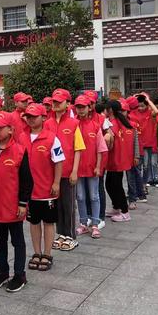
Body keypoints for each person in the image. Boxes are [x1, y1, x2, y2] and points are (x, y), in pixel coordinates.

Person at [0, 111, 33, 293]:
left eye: (0, 128)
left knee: (17, 241)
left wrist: (22, 203)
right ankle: (3, 272)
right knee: (0, 241)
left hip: (13, 207)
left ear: (10, 129)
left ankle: (19, 274)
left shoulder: (19, 151)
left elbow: (27, 181)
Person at [24, 103, 65, 272]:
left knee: (48, 223)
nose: (31, 119)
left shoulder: (52, 138)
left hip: (47, 191)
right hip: (30, 192)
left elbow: (59, 161)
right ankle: (37, 252)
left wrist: (56, 182)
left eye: (34, 116)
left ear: (43, 117)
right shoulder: (21, 137)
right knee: (33, 223)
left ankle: (47, 254)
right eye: (28, 116)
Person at [44, 88, 85, 251]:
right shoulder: (47, 123)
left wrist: (75, 171)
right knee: (57, 204)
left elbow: (78, 148)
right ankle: (61, 234)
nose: (55, 104)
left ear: (68, 104)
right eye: (53, 101)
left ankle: (70, 235)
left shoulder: (74, 124)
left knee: (68, 204)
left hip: (68, 171)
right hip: (52, 173)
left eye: (59, 102)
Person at [73, 95, 108, 239]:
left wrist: (98, 166)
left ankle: (95, 224)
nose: (81, 110)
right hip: (77, 168)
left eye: (83, 107)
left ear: (89, 108)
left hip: (92, 167)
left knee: (94, 196)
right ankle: (83, 223)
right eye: (78, 107)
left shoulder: (95, 126)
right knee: (80, 197)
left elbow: (100, 148)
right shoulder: (73, 124)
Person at [105, 100, 139, 222]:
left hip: (116, 159)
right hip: (119, 159)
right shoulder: (123, 123)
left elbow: (109, 142)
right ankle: (117, 207)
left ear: (110, 110)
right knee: (110, 184)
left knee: (116, 186)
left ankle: (125, 212)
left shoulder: (111, 124)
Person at [130, 93, 158, 189]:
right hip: (137, 145)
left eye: (143, 106)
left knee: (146, 167)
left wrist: (148, 99)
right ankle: (139, 187)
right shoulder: (133, 112)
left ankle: (144, 185)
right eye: (139, 106)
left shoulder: (149, 113)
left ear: (147, 105)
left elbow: (156, 111)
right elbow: (127, 108)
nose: (140, 108)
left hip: (148, 144)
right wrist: (133, 98)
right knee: (137, 167)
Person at [122, 99, 145, 209]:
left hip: (131, 156)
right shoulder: (114, 124)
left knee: (132, 177)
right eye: (120, 111)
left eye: (124, 111)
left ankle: (133, 198)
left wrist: (136, 155)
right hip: (120, 157)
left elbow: (135, 142)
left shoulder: (131, 124)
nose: (122, 113)